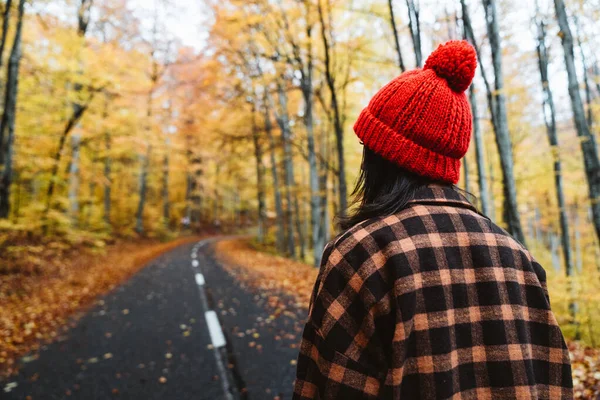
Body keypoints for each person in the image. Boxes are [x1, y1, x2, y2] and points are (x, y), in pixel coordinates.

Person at [293, 41, 572, 399]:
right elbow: (555, 382)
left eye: (367, 147)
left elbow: (329, 387)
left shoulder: (360, 253)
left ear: (380, 156)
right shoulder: (519, 257)